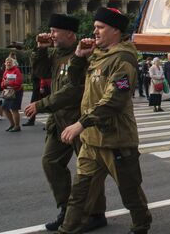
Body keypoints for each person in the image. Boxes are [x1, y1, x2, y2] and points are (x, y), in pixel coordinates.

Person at [58, 7, 152, 234]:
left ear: (116, 30)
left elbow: (115, 99)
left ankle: (141, 223)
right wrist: (79, 58)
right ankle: (68, 229)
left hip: (116, 140)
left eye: (100, 27)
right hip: (92, 140)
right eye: (95, 27)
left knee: (130, 190)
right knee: (79, 193)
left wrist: (81, 123)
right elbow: (73, 83)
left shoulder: (123, 59)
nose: (95, 31)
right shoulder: (99, 55)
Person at [24, 13, 108, 232]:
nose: (50, 35)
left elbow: (74, 90)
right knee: (50, 162)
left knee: (87, 169)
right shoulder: (55, 54)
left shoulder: (84, 54)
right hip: (59, 120)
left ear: (69, 34)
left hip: (79, 120)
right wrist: (40, 50)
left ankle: (96, 214)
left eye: (54, 32)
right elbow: (40, 72)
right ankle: (66, 208)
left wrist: (42, 104)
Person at [1, 57, 24, 132]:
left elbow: (19, 82)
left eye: (10, 62)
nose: (8, 64)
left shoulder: (16, 71)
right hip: (8, 92)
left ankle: (17, 126)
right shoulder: (6, 72)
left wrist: (9, 83)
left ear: (13, 63)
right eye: (7, 62)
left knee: (14, 109)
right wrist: (4, 84)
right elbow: (2, 83)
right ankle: (12, 124)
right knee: (4, 108)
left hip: (16, 92)